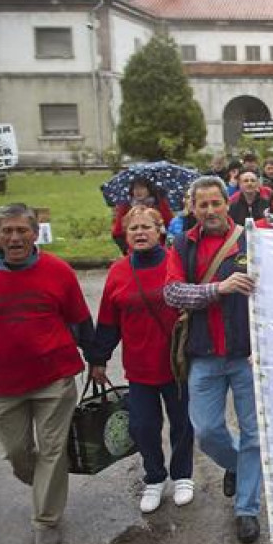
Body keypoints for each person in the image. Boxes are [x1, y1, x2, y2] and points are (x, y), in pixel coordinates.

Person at [0, 203, 94, 544]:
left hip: (53, 377)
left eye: (21, 230)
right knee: (18, 454)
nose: (14, 238)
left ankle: (46, 520)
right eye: (7, 231)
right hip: (2, 383)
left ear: (34, 233)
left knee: (54, 451)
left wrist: (96, 358)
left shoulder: (58, 271)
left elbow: (80, 320)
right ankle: (44, 482)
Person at [163, 176, 262, 544]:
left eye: (215, 203)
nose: (209, 211)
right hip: (203, 354)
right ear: (193, 208)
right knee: (206, 431)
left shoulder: (253, 239)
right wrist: (217, 289)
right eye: (201, 205)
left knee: (253, 432)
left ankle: (247, 509)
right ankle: (238, 465)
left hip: (247, 355)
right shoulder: (182, 244)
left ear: (227, 203)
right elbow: (172, 292)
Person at [88, 206, 195, 514]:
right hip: (139, 367)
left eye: (146, 227)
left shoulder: (177, 263)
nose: (139, 233)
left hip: (176, 365)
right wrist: (99, 359)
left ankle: (183, 474)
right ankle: (155, 477)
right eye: (133, 228)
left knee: (182, 423)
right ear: (125, 234)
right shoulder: (118, 271)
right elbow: (108, 321)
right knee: (142, 426)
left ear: (160, 230)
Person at [110, 176, 174, 254]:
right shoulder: (125, 205)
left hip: (159, 250)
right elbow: (117, 233)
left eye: (142, 188)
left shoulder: (159, 204)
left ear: (149, 189)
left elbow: (171, 227)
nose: (138, 191)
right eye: (135, 188)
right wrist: (126, 250)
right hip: (134, 251)